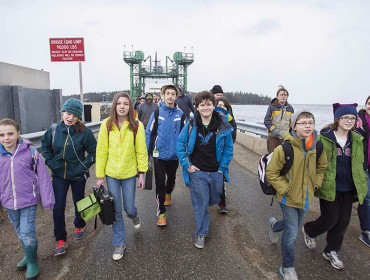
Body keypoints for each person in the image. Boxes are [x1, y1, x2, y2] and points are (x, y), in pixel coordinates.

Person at [302, 103, 368, 271]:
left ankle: (331, 251)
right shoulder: (325, 138)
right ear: (338, 119)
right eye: (346, 117)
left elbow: (359, 164)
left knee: (343, 221)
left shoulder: (357, 140)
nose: (349, 121)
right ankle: (309, 230)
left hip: (348, 188)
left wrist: (361, 183)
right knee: (330, 219)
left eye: (353, 118)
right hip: (329, 186)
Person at [266, 109, 328, 280]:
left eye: (311, 122)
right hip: (287, 197)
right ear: (294, 126)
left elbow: (322, 167)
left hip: (306, 196)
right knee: (292, 233)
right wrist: (285, 189)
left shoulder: (318, 146)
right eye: (303, 122)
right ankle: (287, 268)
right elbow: (271, 173)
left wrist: (316, 183)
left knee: (289, 225)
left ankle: (273, 226)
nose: (308, 126)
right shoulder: (284, 148)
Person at [176, 91, 234, 249]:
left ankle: (200, 208)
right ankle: (201, 232)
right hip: (197, 171)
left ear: (213, 105)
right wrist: (187, 165)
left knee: (214, 198)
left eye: (209, 104)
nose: (206, 107)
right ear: (197, 107)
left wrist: (222, 168)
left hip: (216, 172)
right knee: (201, 202)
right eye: (202, 105)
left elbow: (229, 148)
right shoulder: (191, 124)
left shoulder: (223, 126)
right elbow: (180, 145)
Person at [95, 92, 148, 261]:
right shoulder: (107, 125)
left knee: (129, 208)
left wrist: (142, 173)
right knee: (116, 209)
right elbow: (102, 150)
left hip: (129, 173)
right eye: (119, 103)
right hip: (111, 174)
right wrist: (100, 176)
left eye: (126, 103)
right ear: (115, 106)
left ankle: (135, 216)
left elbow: (141, 150)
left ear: (130, 106)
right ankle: (119, 243)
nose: (122, 106)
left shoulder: (137, 126)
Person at [41, 98, 97, 256]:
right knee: (58, 207)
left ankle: (80, 224)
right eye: (67, 113)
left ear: (79, 117)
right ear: (63, 112)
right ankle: (60, 239)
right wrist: (51, 162)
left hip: (78, 174)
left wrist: (82, 167)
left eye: (74, 114)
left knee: (79, 201)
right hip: (59, 174)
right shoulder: (53, 130)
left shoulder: (85, 133)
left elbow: (94, 153)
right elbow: (45, 147)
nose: (70, 117)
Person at [0, 118, 55, 279]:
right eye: (2, 135)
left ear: (18, 134)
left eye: (10, 133)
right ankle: (29, 255)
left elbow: (43, 177)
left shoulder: (30, 152)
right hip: (8, 202)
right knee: (20, 232)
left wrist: (47, 200)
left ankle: (32, 262)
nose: (6, 138)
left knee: (27, 233)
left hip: (28, 201)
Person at [146, 84, 185, 226]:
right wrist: (147, 152)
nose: (170, 96)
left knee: (171, 181)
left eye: (172, 94)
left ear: (176, 96)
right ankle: (161, 213)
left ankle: (169, 192)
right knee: (160, 183)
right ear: (163, 96)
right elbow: (149, 132)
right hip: (159, 154)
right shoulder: (157, 113)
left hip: (174, 156)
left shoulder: (181, 115)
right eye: (167, 93)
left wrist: (185, 153)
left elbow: (185, 134)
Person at [215, 97, 237, 213]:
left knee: (221, 177)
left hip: (224, 154)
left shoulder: (230, 119)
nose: (221, 108)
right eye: (219, 105)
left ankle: (222, 203)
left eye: (224, 106)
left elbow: (233, 135)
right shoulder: (211, 119)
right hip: (213, 154)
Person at [356, 96, 370, 247]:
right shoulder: (360, 119)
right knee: (366, 197)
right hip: (363, 163)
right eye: (369, 103)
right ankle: (366, 231)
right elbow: (356, 139)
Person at [264, 86, 294, 153]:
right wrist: (273, 130)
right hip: (273, 138)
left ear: (287, 97)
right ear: (277, 96)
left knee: (285, 158)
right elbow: (267, 121)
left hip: (285, 138)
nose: (283, 96)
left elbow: (292, 124)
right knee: (272, 157)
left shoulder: (290, 108)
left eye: (285, 95)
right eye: (281, 95)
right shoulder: (272, 107)